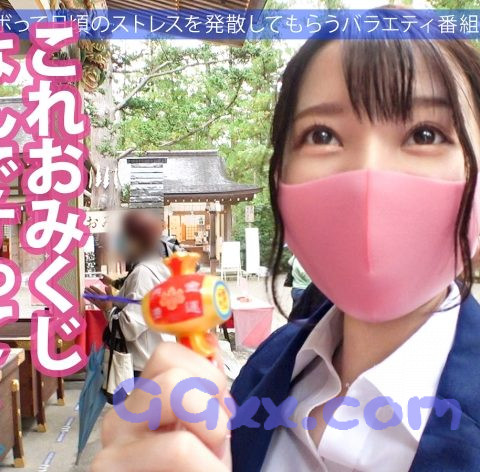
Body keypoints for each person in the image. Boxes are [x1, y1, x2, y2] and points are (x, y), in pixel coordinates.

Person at [92, 15, 480, 472]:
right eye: (322, 135)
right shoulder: (264, 369)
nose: (368, 178)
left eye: (425, 134)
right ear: (280, 179)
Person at [85, 210, 171, 376]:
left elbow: (129, 328)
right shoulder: (160, 267)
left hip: (144, 368)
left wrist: (108, 308)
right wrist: (112, 300)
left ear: (136, 240)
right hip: (158, 362)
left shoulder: (143, 273)